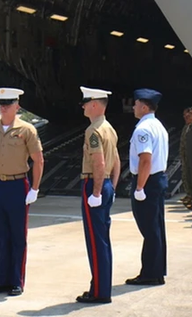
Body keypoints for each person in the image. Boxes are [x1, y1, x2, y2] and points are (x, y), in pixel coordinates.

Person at [0, 87, 44, 298]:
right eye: (1, 104)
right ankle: (1, 281)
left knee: (18, 236)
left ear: (17, 106)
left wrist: (35, 188)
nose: (3, 108)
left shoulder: (27, 130)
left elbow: (38, 160)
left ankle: (16, 281)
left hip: (18, 185)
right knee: (1, 236)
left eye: (8, 104)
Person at [75, 86, 120, 304]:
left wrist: (96, 191)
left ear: (94, 104)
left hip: (95, 184)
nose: (82, 106)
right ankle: (99, 286)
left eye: (85, 102)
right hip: (106, 184)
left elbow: (99, 162)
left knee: (95, 241)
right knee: (102, 241)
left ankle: (100, 292)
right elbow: (117, 162)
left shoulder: (93, 131)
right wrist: (112, 186)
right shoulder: (109, 128)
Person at [126, 88, 169, 287]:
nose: (133, 107)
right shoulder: (158, 125)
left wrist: (139, 188)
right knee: (157, 228)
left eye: (135, 104)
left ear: (143, 107)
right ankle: (157, 270)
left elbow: (145, 160)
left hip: (148, 182)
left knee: (150, 230)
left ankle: (150, 273)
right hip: (158, 179)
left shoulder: (143, 129)